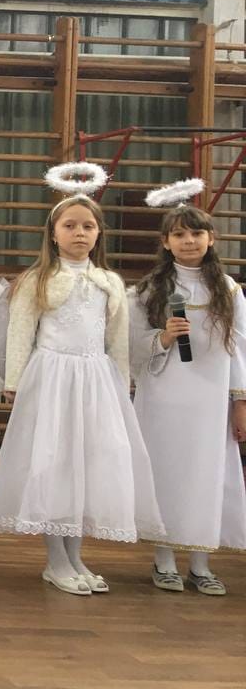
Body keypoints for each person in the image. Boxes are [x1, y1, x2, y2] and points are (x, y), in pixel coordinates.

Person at [0, 187, 164, 595]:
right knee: (55, 464)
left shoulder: (110, 282)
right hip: (52, 379)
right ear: (53, 233)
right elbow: (20, 332)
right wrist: (14, 381)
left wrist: (121, 383)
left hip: (95, 381)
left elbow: (116, 340)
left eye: (87, 226)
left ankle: (76, 556)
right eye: (70, 226)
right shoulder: (39, 280)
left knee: (87, 465)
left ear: (99, 233)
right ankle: (56, 560)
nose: (79, 233)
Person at [129, 193, 246, 595]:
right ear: (165, 242)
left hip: (210, 402)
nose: (189, 241)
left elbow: (240, 348)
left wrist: (240, 402)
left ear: (211, 238)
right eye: (179, 234)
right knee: (165, 473)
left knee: (206, 475)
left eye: (197, 233)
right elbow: (129, 344)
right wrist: (162, 338)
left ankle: (201, 563)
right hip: (164, 396)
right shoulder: (151, 289)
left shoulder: (228, 289)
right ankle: (163, 559)